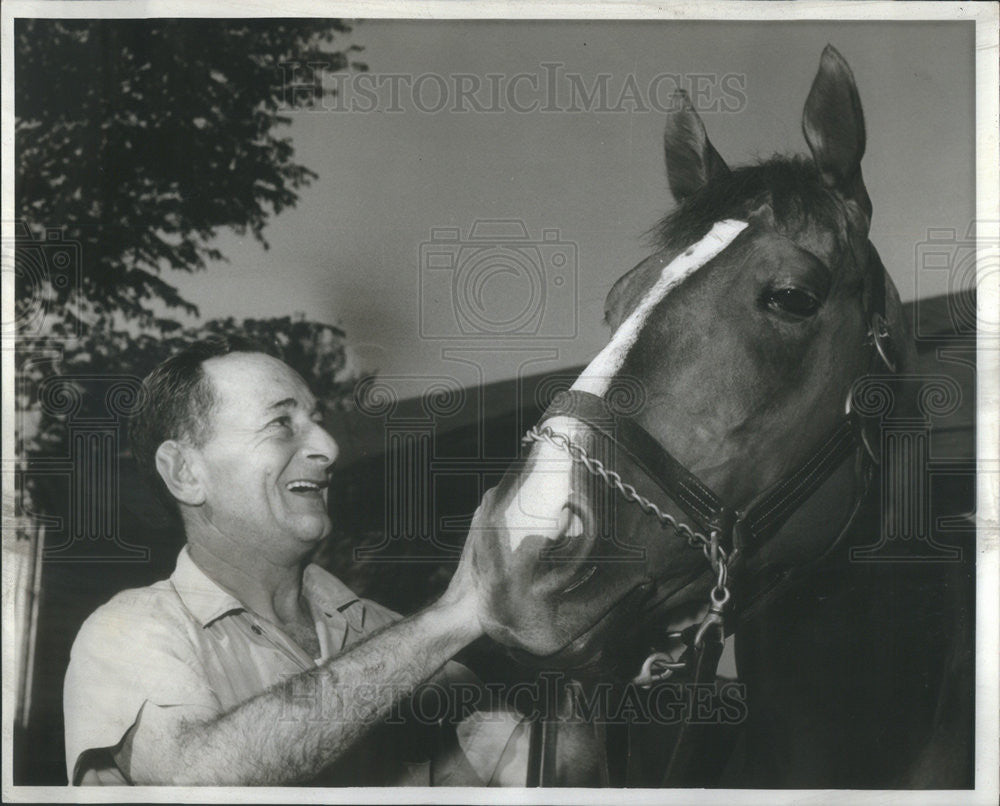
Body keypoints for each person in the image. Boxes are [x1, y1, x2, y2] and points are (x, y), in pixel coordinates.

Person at [62, 336, 526, 786]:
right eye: (281, 424)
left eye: (317, 420)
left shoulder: (385, 631)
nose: (329, 447)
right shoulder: (128, 631)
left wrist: (587, 656)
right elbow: (194, 778)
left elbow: (545, 778)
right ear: (186, 473)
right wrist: (452, 617)